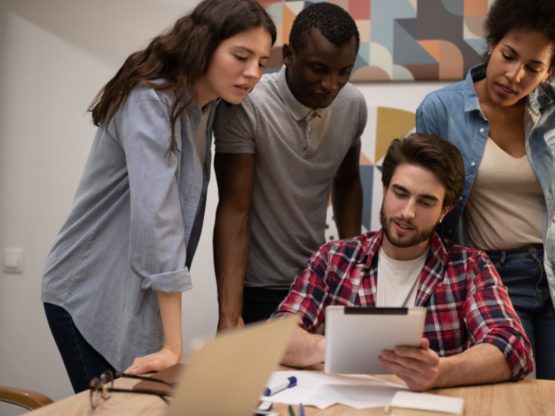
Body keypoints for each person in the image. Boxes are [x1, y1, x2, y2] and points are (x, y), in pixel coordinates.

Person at [41, 0, 275, 393]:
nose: (252, 73)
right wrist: (173, 344)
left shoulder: (209, 105)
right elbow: (158, 220)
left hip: (135, 297)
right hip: (87, 291)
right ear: (204, 44)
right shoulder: (150, 100)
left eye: (263, 62)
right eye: (241, 56)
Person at [270, 133, 533, 392]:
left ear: (445, 210)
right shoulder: (333, 259)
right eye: (400, 193)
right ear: (385, 190)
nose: (408, 212)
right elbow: (275, 336)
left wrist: (441, 372)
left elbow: (513, 347)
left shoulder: (470, 267)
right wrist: (331, 347)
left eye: (426, 201)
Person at [416, 0, 555, 380]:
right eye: (508, 55)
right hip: (493, 276)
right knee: (513, 394)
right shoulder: (441, 109)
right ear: (492, 43)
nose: (514, 74)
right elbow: (425, 199)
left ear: (550, 72)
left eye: (533, 68)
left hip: (551, 269)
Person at [213, 2, 367, 330]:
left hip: (319, 282)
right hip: (259, 287)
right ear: (288, 54)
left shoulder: (352, 105)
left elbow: (349, 178)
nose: (331, 85)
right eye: (318, 68)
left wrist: (354, 271)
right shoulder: (247, 105)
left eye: (343, 71)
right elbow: (234, 210)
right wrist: (228, 314)